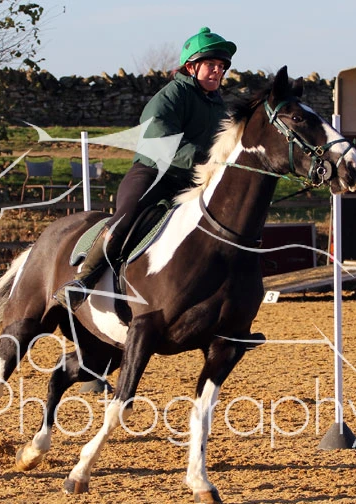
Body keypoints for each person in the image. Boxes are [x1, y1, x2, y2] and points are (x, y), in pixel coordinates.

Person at [54, 27, 237, 311]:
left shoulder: (219, 106)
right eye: (211, 64)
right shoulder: (171, 96)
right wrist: (202, 160)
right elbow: (159, 139)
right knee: (126, 218)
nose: (218, 71)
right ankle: (83, 280)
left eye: (221, 66)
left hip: (192, 181)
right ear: (191, 67)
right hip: (153, 175)